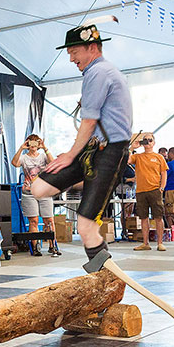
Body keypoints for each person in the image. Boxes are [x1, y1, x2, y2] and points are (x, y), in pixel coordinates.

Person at [31, 22, 132, 272]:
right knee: (38, 188)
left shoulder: (100, 72)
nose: (71, 58)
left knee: (86, 227)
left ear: (92, 47)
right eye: (69, 53)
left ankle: (106, 279)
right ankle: (93, 184)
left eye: (74, 52)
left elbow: (89, 121)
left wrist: (70, 155)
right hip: (93, 150)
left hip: (110, 152)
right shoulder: (96, 72)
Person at [11, 133, 59, 256]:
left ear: (38, 144)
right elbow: (14, 163)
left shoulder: (43, 156)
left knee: (49, 219)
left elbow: (53, 163)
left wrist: (45, 148)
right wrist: (21, 148)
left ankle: (52, 246)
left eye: (35, 142)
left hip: (44, 191)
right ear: (27, 143)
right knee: (33, 220)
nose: (33, 144)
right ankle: (35, 246)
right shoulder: (24, 158)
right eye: (30, 142)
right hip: (29, 193)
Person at [128, 133, 169, 251]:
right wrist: (132, 147)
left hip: (155, 190)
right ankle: (145, 243)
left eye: (150, 140)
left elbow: (164, 173)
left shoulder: (159, 157)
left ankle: (160, 243)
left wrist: (162, 187)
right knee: (143, 218)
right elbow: (127, 160)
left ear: (154, 142)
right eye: (145, 140)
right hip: (141, 191)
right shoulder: (138, 156)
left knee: (158, 217)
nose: (147, 142)